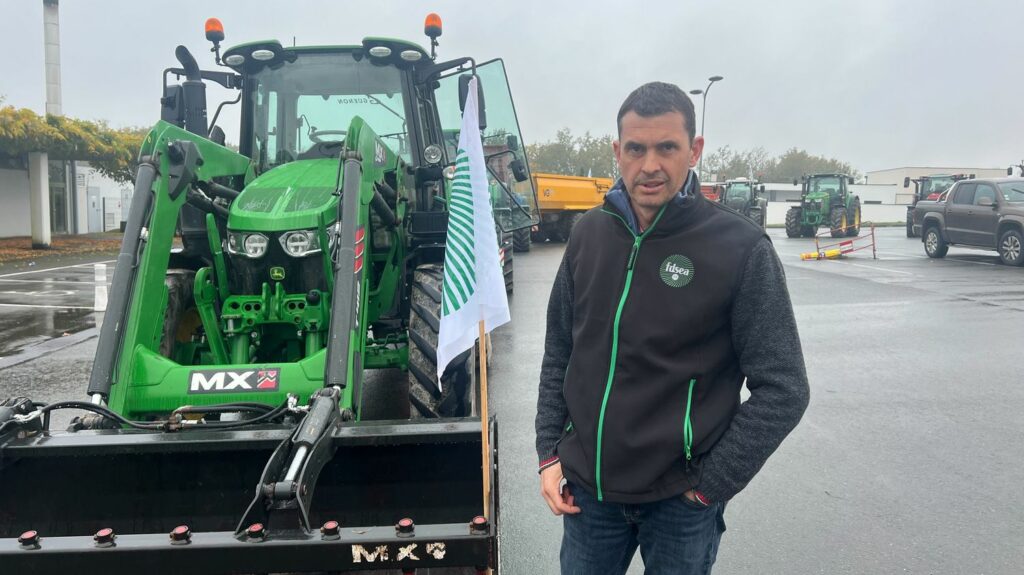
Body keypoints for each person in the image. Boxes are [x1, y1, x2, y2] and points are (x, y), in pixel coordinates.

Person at [535, 81, 810, 574]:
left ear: (694, 149)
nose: (650, 166)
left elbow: (785, 387)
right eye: (636, 149)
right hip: (589, 498)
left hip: (680, 506)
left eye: (668, 147)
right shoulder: (587, 235)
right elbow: (560, 349)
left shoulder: (740, 249)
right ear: (617, 151)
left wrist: (710, 485)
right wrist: (548, 453)